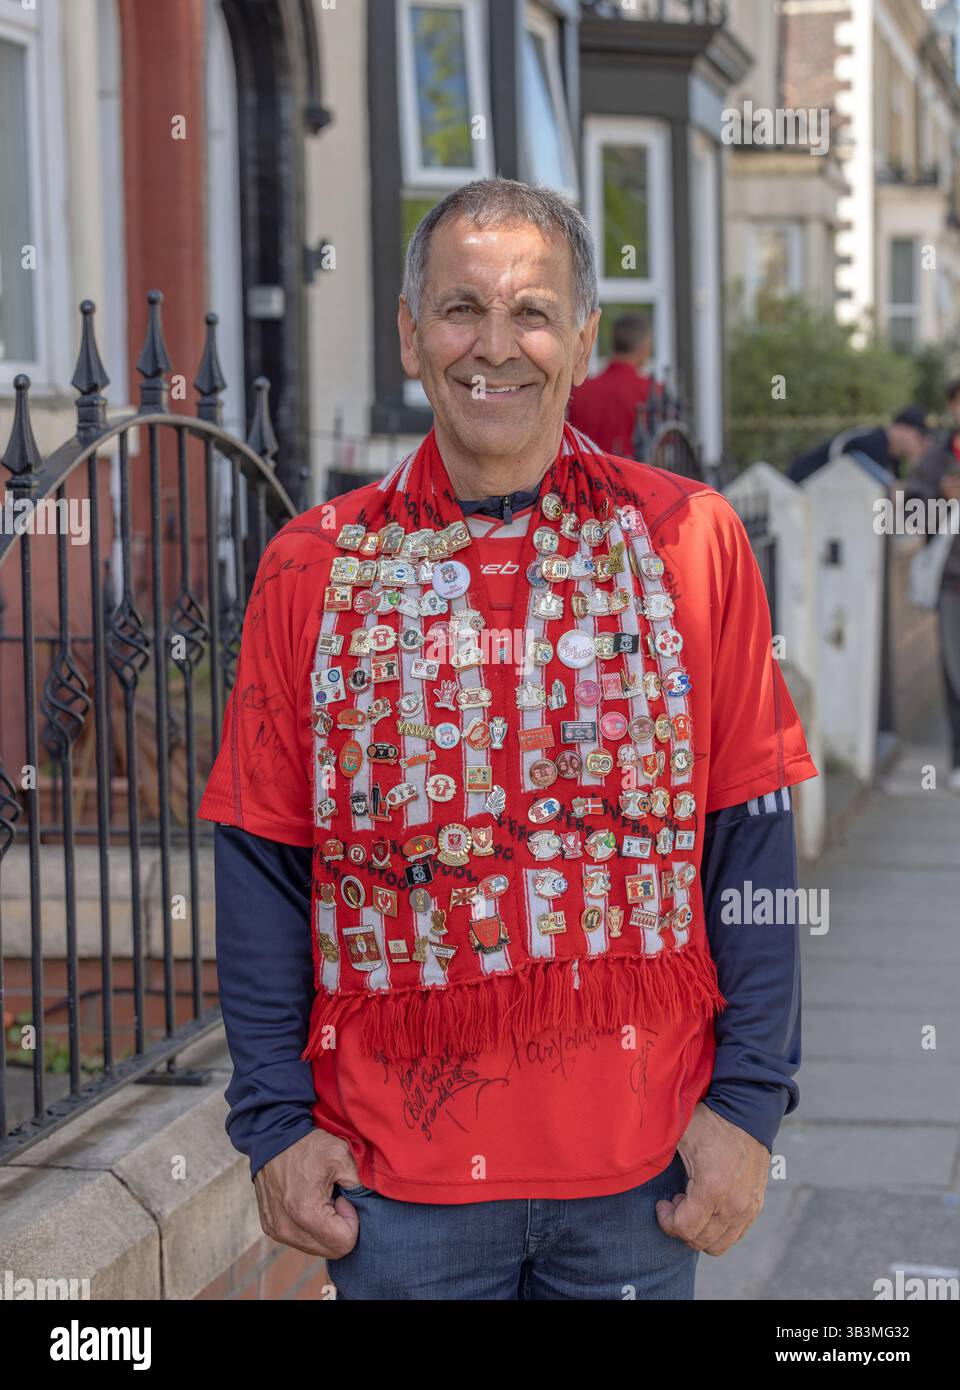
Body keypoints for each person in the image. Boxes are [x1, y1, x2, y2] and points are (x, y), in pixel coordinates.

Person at [198, 177, 819, 1301]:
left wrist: (750, 1104)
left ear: (582, 338)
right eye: (460, 309)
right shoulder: (313, 564)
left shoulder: (692, 540)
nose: (496, 346)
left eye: (531, 311)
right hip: (395, 1187)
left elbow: (752, 835)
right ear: (408, 335)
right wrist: (276, 1124)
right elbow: (260, 856)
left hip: (642, 1174)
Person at [901, 379, 960, 792]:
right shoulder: (936, 458)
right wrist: (940, 498)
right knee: (956, 672)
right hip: (952, 583)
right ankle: (958, 759)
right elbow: (910, 514)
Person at [567, 312, 663, 458]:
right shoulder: (653, 391)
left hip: (586, 475)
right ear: (643, 346)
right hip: (633, 476)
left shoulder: (581, 390)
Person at [788, 407, 930, 484]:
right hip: (800, 484)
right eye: (919, 436)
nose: (921, 443)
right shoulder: (871, 444)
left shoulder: (892, 457)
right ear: (900, 429)